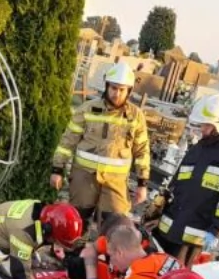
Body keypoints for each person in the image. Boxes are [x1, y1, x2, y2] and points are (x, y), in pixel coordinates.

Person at [51, 62, 150, 225]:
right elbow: (67, 141)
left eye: (121, 90)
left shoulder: (136, 117)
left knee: (114, 226)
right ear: (106, 86)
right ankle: (73, 250)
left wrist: (142, 183)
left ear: (129, 91)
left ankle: (102, 251)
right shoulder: (87, 109)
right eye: (113, 88)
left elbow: (142, 151)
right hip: (84, 178)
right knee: (76, 222)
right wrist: (57, 169)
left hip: (116, 183)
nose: (116, 94)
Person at [152, 94, 219, 264]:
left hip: (191, 240)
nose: (202, 128)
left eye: (207, 125)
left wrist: (216, 231)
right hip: (168, 231)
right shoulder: (197, 148)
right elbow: (176, 184)